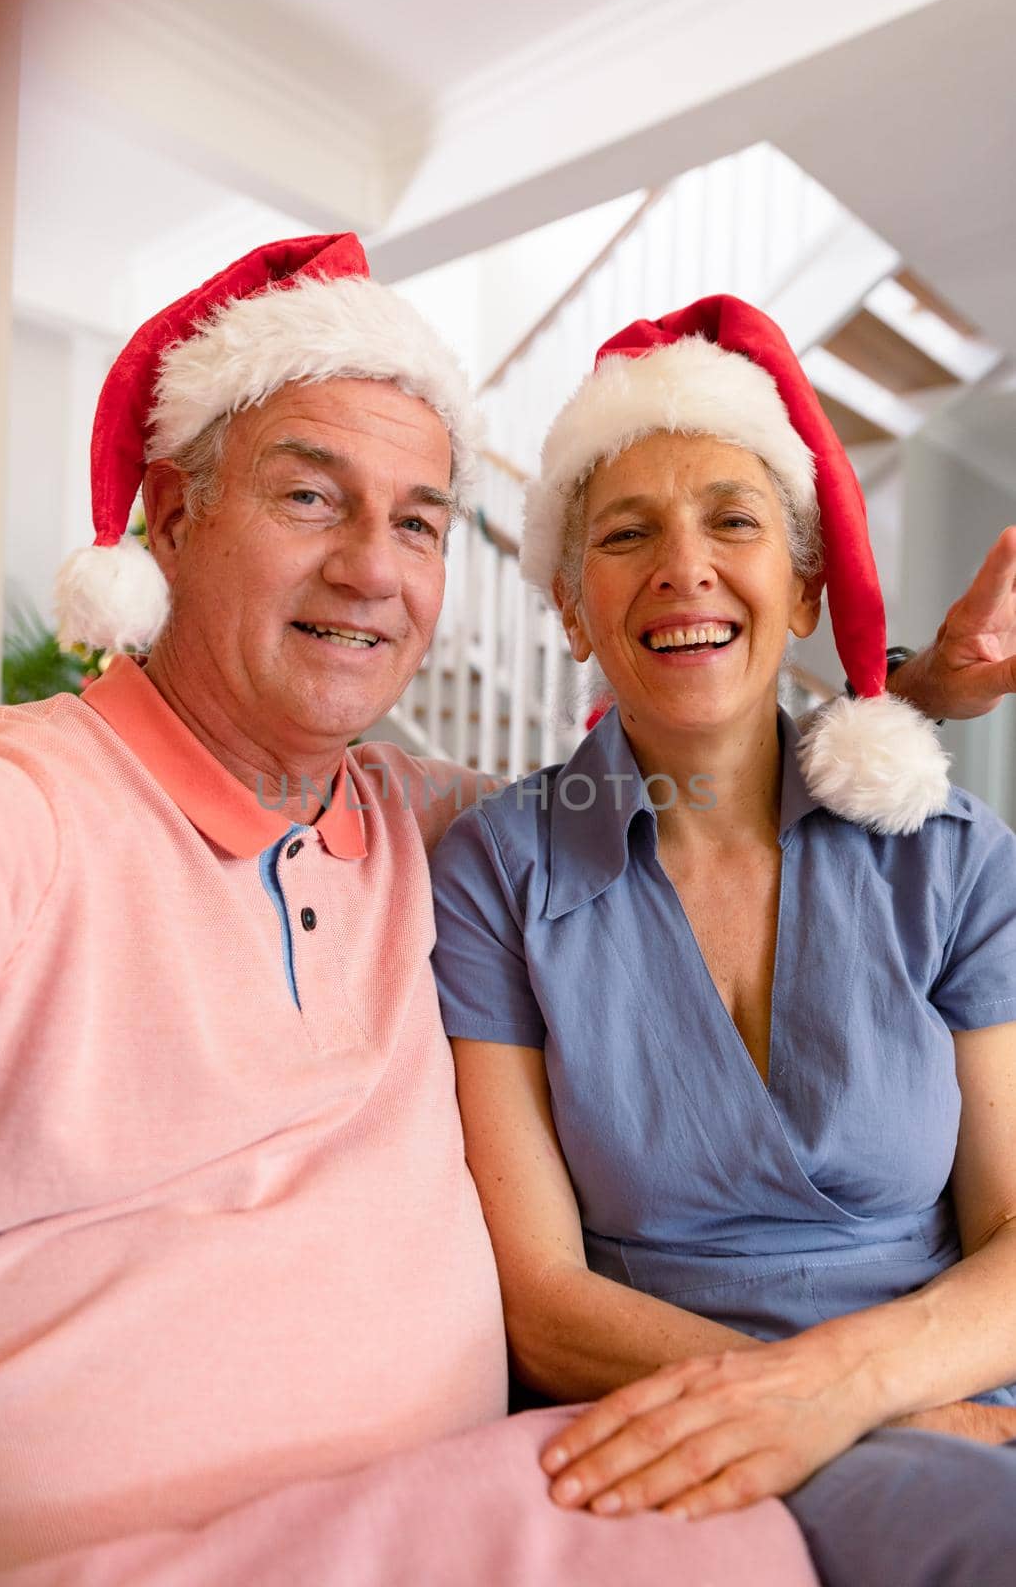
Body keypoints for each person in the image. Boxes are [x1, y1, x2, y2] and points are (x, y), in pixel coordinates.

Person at [0, 243, 1011, 1585]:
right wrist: (852, 1405)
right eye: (308, 498)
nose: (369, 570)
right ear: (169, 516)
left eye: (417, 523)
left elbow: (702, 772)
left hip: (504, 1509)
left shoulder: (414, 817)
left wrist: (908, 700)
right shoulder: (17, 810)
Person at [430, 296, 1016, 1587]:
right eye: (626, 534)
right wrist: (842, 1410)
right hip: (651, 1423)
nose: (683, 566)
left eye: (734, 522)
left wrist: (861, 1391)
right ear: (574, 611)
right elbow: (539, 1295)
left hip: (957, 1400)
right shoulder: (497, 870)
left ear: (803, 586)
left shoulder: (950, 852)